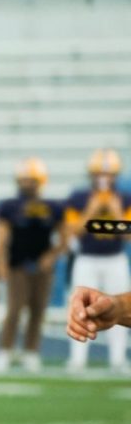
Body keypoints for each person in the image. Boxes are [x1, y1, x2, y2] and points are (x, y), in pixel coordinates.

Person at [0, 157, 64, 373]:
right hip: (18, 264)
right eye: (24, 180)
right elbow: (1, 237)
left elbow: (66, 236)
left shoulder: (53, 207)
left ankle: (31, 352)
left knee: (38, 310)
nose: (27, 184)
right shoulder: (10, 206)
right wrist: (0, 263)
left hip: (42, 266)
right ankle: (4, 351)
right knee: (14, 310)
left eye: (31, 180)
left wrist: (51, 256)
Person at [63, 148, 131, 374]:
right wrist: (90, 211)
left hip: (114, 258)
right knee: (79, 308)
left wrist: (116, 211)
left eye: (109, 174)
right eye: (99, 174)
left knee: (119, 308)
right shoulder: (79, 198)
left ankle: (118, 358)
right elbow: (71, 233)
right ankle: (78, 358)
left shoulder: (125, 199)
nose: (103, 179)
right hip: (87, 258)